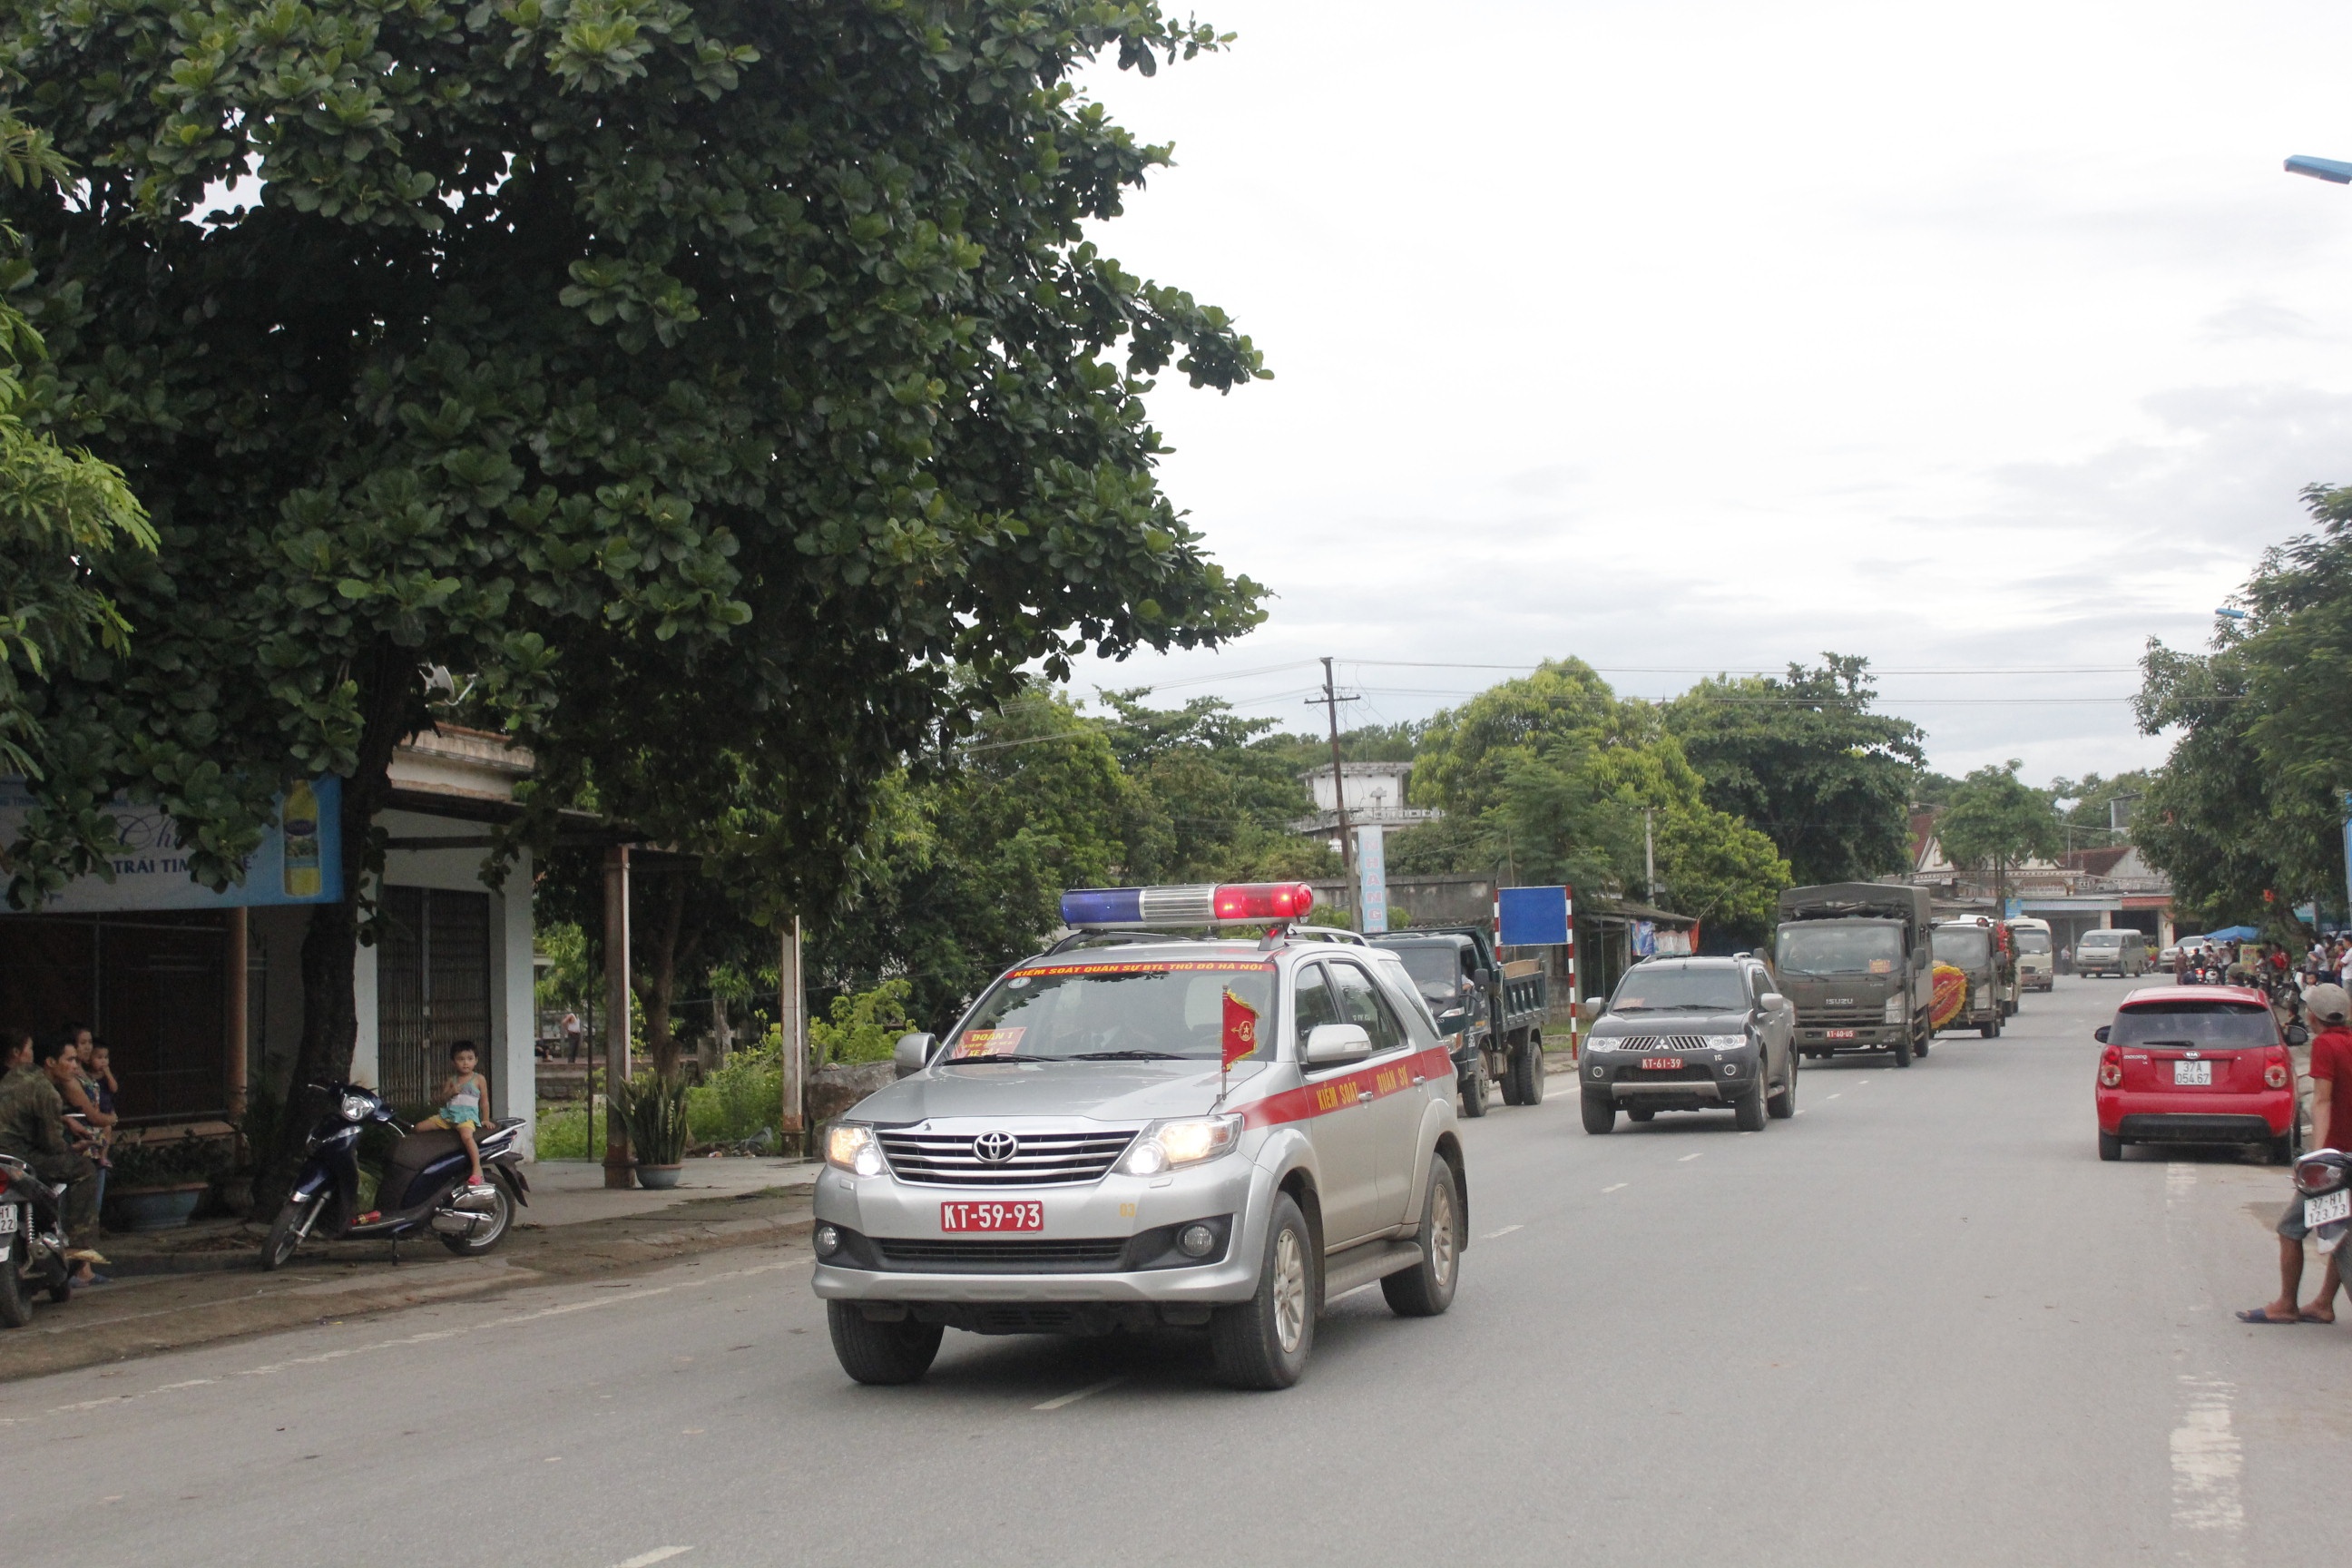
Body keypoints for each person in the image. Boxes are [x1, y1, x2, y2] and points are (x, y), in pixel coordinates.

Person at [2241, 983, 2352, 1325]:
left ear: (2313, 1016)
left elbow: (2321, 1101)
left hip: (2337, 1159)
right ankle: (2322, 1302)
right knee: (2340, 1229)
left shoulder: (2326, 1046)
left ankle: (2286, 1304)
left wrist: (2318, 1158)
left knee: (2290, 1228)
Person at [0, 1033, 106, 1284]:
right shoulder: (49, 1094)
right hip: (21, 1156)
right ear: (50, 1062)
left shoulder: (17, 1075)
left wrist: (64, 1121)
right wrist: (75, 1149)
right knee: (83, 1169)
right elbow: (52, 1145)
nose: (74, 1066)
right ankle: (78, 1243)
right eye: (69, 1060)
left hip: (6, 1153)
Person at [413, 1040, 492, 1191]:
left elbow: (484, 1102)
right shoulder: (452, 1079)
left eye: (470, 1059)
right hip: (448, 1116)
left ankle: (477, 1168)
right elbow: (441, 1099)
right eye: (461, 1059)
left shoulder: (479, 1079)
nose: (465, 1063)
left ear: (476, 1060)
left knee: (467, 1137)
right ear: (453, 1062)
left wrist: (485, 1119)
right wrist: (451, 1092)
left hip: (466, 1117)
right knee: (419, 1128)